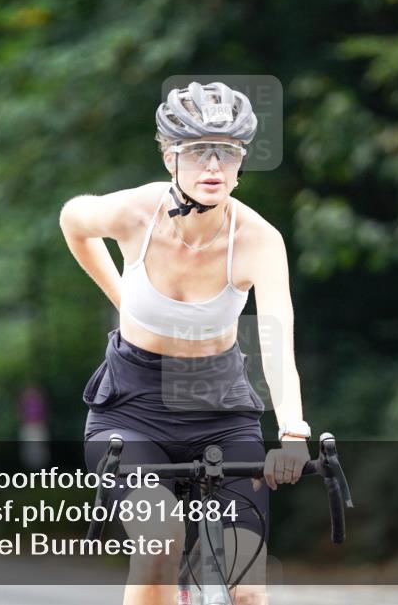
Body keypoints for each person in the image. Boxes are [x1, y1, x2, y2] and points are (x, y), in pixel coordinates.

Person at [59, 81, 311, 605]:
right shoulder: (137, 213)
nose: (213, 166)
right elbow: (73, 219)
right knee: (160, 544)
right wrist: (121, 295)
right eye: (198, 151)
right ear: (170, 156)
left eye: (228, 152)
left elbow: (277, 337)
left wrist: (292, 428)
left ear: (242, 164)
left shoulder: (259, 240)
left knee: (248, 588)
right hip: (131, 408)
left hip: (220, 405)